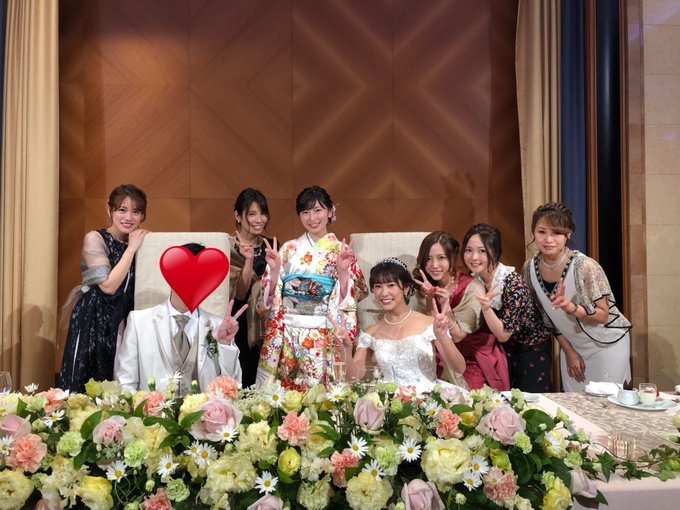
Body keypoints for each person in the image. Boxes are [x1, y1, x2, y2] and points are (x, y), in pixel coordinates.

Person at [256, 185, 367, 389]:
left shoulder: (340, 250)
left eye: (318, 210)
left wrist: (343, 272)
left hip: (324, 332)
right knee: (290, 393)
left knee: (322, 394)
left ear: (330, 211)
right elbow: (268, 298)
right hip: (289, 333)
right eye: (305, 212)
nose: (312, 218)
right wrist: (275, 271)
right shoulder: (289, 248)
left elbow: (355, 293)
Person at [522, 202, 631, 391]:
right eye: (542, 232)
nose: (548, 239)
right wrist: (569, 351)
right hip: (572, 346)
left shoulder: (585, 266)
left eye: (557, 233)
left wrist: (572, 308)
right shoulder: (529, 268)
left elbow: (603, 315)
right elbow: (548, 319)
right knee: (574, 404)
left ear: (568, 234)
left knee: (606, 402)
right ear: (533, 232)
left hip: (606, 345)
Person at [114, 243, 245, 395]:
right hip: (153, 409)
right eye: (186, 274)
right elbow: (125, 382)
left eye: (200, 277)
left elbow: (233, 385)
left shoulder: (218, 326)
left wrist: (225, 345)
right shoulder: (139, 322)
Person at [58, 184, 149, 392]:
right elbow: (108, 286)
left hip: (125, 315)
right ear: (109, 210)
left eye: (136, 212)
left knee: (122, 378)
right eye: (122, 210)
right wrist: (131, 249)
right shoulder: (96, 238)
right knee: (89, 378)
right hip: (94, 315)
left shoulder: (142, 242)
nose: (128, 217)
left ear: (142, 216)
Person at [338, 258, 466, 395]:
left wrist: (443, 337)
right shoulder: (371, 332)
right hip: (389, 402)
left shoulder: (429, 323)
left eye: (391, 285)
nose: (384, 293)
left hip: (426, 399)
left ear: (406, 287)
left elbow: (459, 368)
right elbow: (353, 376)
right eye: (378, 286)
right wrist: (346, 349)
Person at [462, 224, 553, 392]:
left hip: (530, 350)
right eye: (468, 250)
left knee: (531, 402)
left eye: (482, 251)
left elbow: (503, 334)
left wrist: (486, 309)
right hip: (501, 350)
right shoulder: (474, 279)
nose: (474, 257)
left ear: (495, 252)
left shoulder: (513, 285)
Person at [414, 231, 509, 391]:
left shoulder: (472, 288)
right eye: (428, 259)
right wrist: (429, 299)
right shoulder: (425, 286)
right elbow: (428, 328)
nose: (434, 265)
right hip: (436, 352)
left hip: (470, 356)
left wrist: (446, 306)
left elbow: (458, 337)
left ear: (453, 257)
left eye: (441, 258)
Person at [229, 188, 274, 387]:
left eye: (263, 213)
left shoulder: (272, 245)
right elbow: (239, 294)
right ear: (238, 216)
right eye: (252, 214)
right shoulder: (228, 247)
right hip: (239, 323)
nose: (259, 220)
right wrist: (248, 261)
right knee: (243, 381)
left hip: (266, 322)